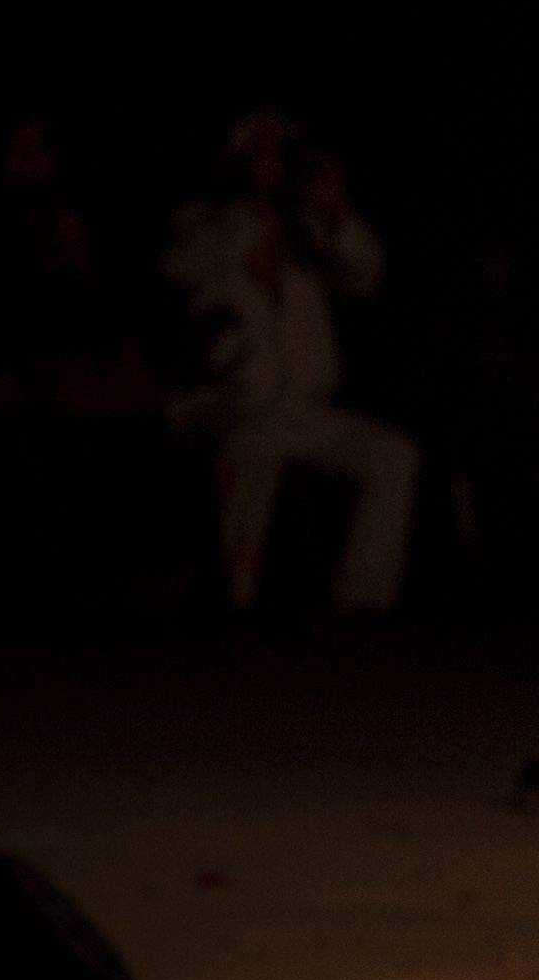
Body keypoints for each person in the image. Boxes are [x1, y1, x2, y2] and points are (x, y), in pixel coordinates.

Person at [164, 109, 412, 621]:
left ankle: (360, 602)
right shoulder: (203, 222)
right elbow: (181, 271)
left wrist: (335, 213)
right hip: (224, 405)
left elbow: (365, 275)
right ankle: (236, 601)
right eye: (262, 151)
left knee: (394, 456)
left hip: (300, 410)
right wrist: (251, 217)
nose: (274, 162)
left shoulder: (308, 228)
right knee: (253, 443)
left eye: (281, 152)